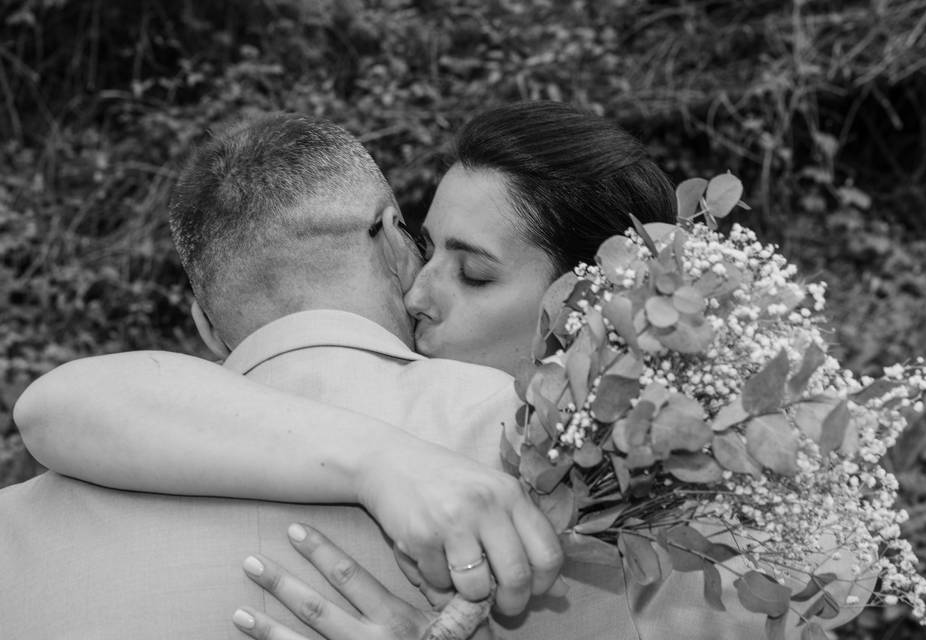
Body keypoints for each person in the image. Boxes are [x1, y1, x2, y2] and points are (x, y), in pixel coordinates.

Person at [9, 103, 678, 640]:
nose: (420, 294)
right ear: (393, 241)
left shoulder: (615, 469)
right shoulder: (583, 478)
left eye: (473, 272)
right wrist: (381, 460)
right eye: (427, 248)